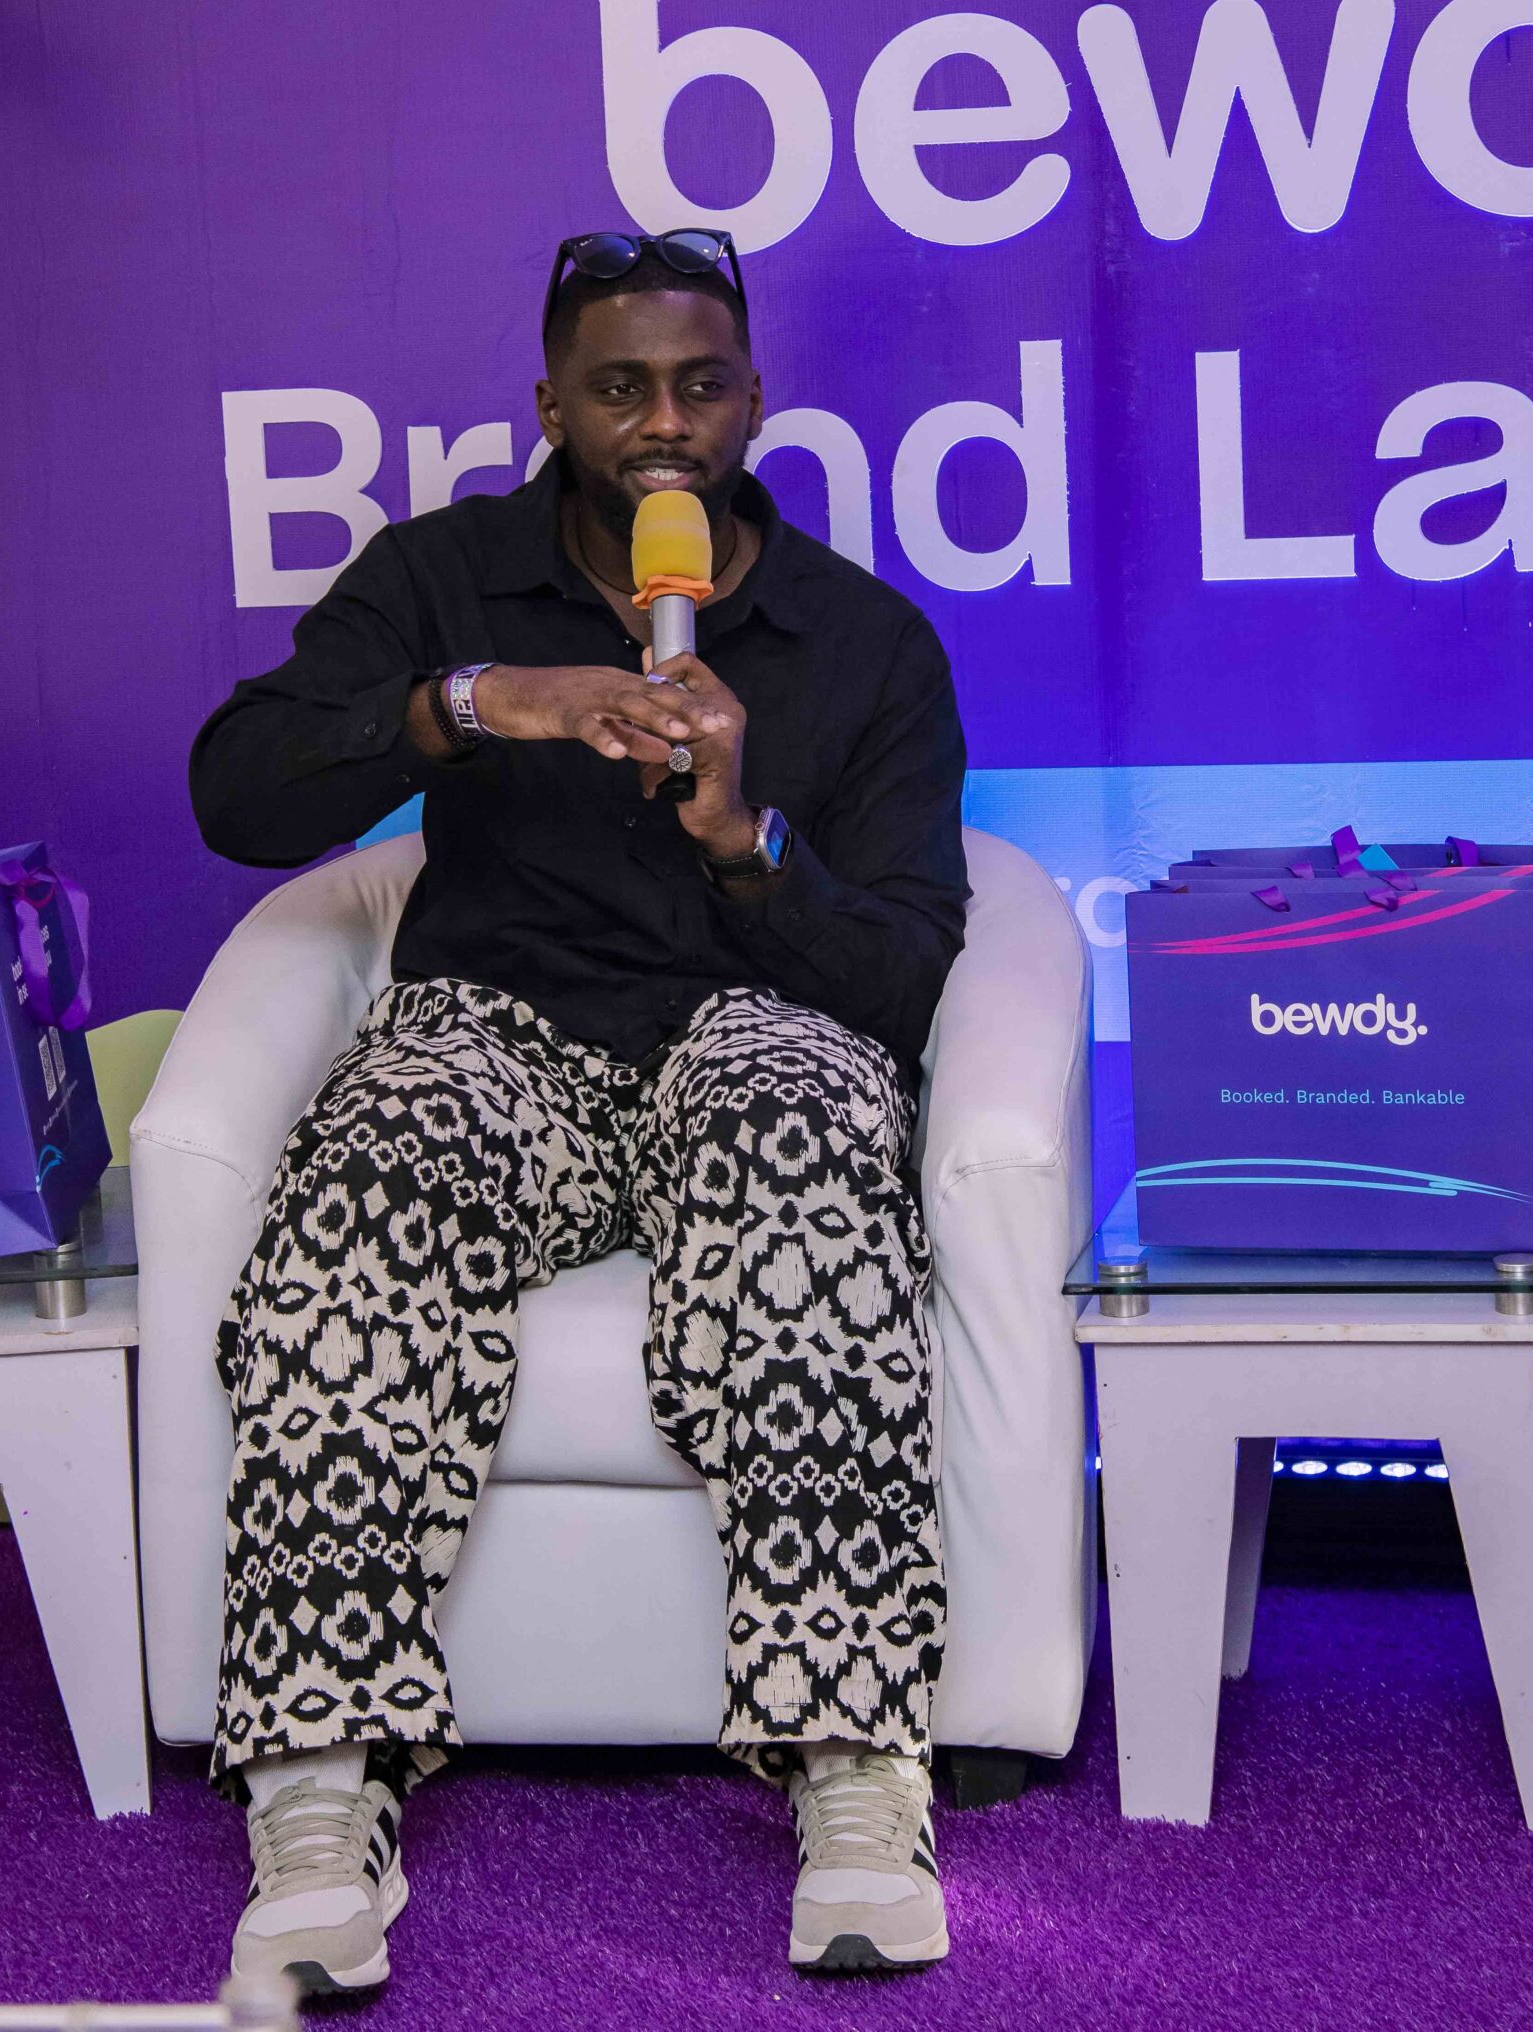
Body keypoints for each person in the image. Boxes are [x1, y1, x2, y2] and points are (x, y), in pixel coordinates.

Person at [189, 228, 970, 1988]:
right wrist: (474, 704)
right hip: (506, 1039)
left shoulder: (866, 643)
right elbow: (235, 791)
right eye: (621, 388)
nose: (664, 424)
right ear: (552, 407)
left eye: (701, 385)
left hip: (750, 1033)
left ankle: (855, 1764)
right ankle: (318, 1782)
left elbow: (910, 976)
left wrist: (749, 843)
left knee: (798, 1130)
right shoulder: (441, 575)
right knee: (376, 1158)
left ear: (755, 401)